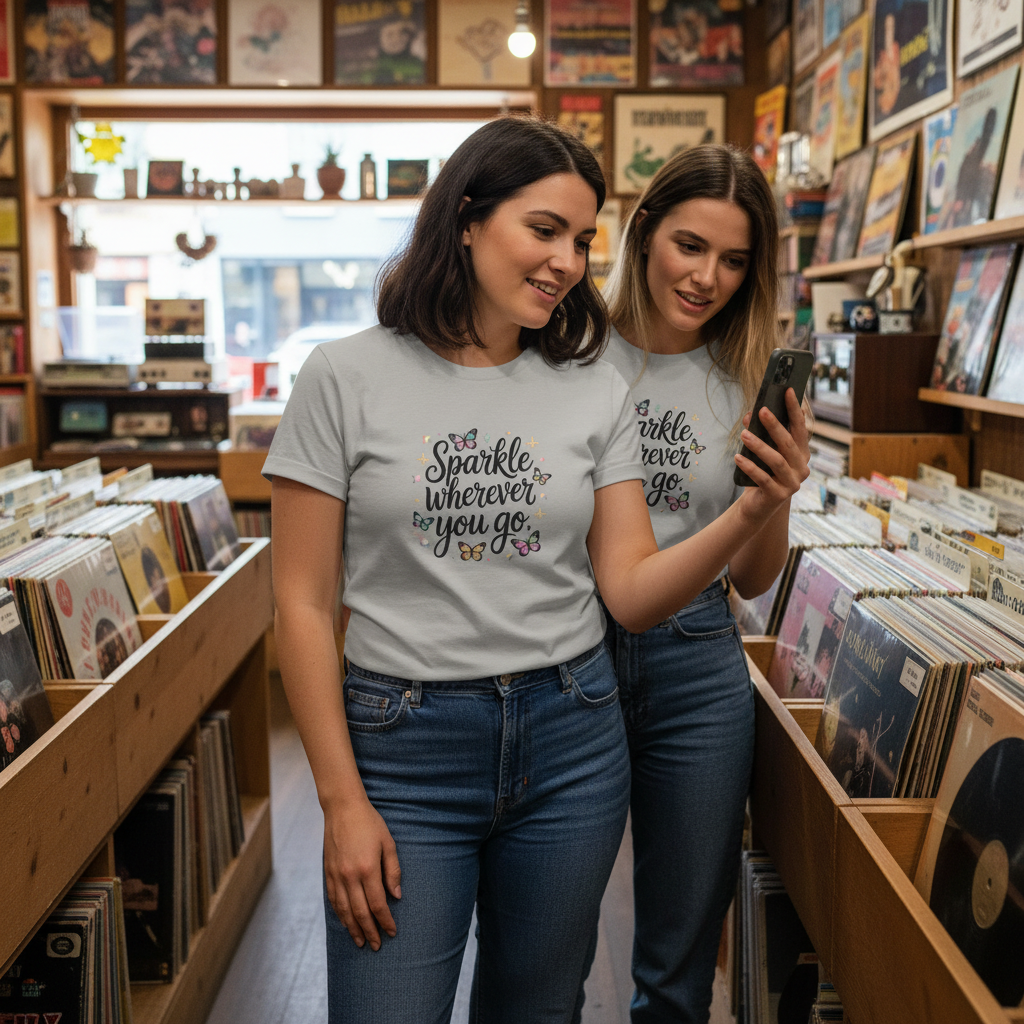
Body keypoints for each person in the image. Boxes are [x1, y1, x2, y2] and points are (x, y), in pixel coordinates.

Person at [264, 118, 807, 1024]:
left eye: (583, 238)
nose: (565, 259)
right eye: (544, 228)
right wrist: (341, 801)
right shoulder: (341, 376)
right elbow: (302, 604)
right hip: (407, 741)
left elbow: (630, 591)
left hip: (569, 732)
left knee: (538, 1008)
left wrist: (755, 507)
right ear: (467, 218)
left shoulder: (593, 386)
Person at [591, 144, 811, 1024]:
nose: (707, 277)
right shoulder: (568, 353)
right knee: (545, 953)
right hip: (572, 659)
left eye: (734, 259)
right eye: (690, 246)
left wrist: (772, 498)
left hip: (698, 670)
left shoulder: (745, 373)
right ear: (644, 232)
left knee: (681, 966)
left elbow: (753, 577)